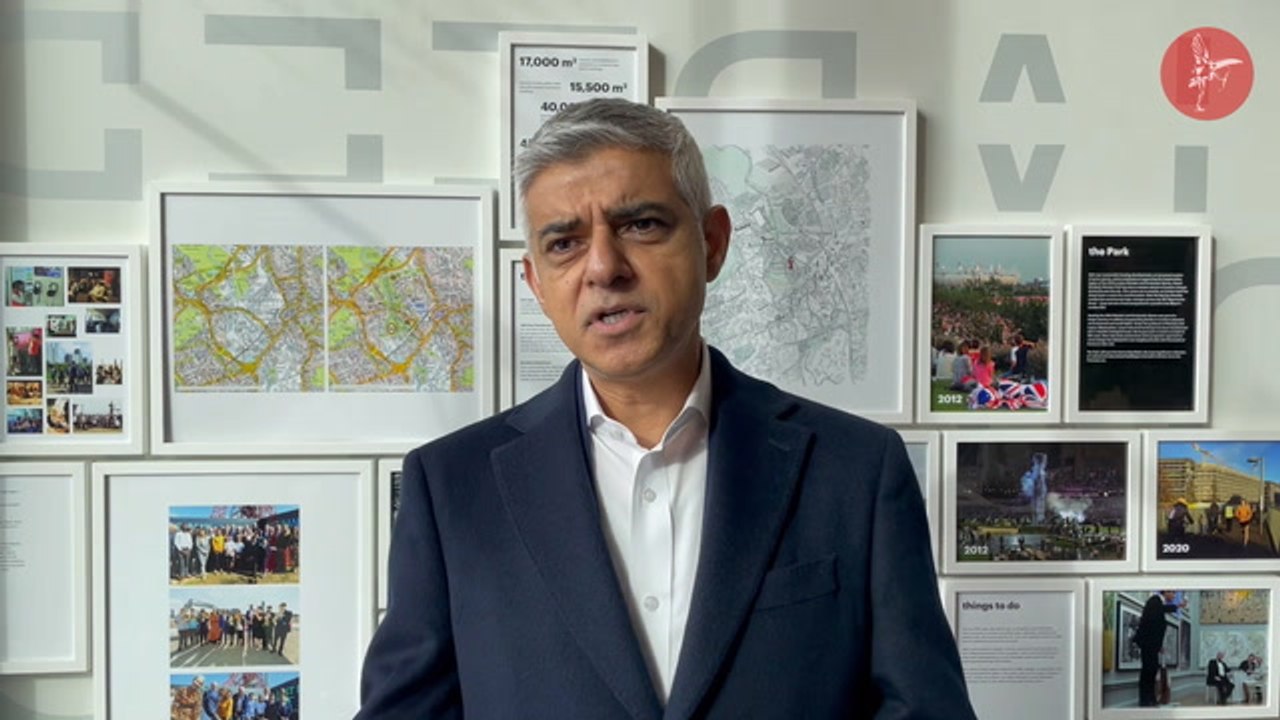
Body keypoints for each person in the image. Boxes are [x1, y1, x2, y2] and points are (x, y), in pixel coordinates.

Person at [355, 99, 974, 718]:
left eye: (640, 225)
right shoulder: (452, 489)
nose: (603, 267)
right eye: (565, 242)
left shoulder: (857, 471)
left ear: (712, 243)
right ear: (536, 283)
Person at [1136, 590, 1181, 706]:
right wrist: (1175, 606)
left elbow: (1161, 611)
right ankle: (1146, 700)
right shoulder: (1154, 601)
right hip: (1148, 644)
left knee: (1151, 671)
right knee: (1148, 671)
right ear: (1166, 591)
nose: (1174, 595)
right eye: (1173, 593)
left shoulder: (1157, 603)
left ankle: (1150, 699)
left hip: (1152, 644)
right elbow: (1152, 623)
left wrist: (1158, 645)